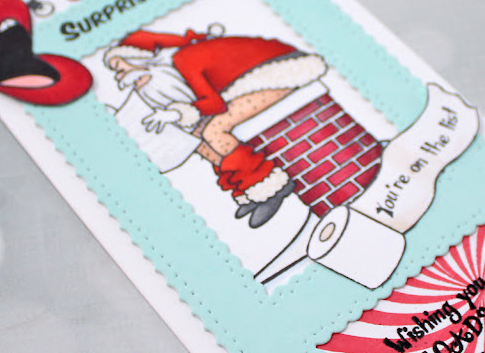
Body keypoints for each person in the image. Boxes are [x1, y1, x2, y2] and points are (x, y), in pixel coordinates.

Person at [103, 25, 327, 227]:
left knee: (214, 130)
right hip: (238, 88)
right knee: (198, 139)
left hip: (275, 72)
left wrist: (175, 112)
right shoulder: (167, 74)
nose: (119, 75)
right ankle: (248, 189)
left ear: (141, 60)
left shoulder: (183, 60)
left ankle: (270, 187)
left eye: (119, 66)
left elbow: (214, 104)